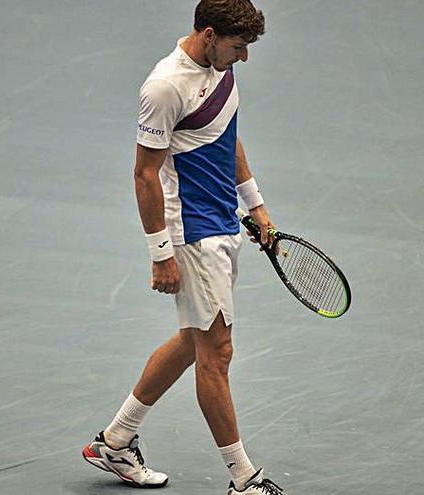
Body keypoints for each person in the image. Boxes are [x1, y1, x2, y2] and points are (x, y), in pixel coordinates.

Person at [82, 1, 285, 494]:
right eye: (238, 47)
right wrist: (161, 254)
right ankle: (244, 478)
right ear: (210, 34)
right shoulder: (165, 86)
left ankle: (116, 440)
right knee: (217, 353)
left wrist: (255, 205)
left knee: (194, 340)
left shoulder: (221, 69)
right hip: (192, 235)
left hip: (223, 226)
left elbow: (226, 135)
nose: (244, 57)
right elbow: (144, 173)